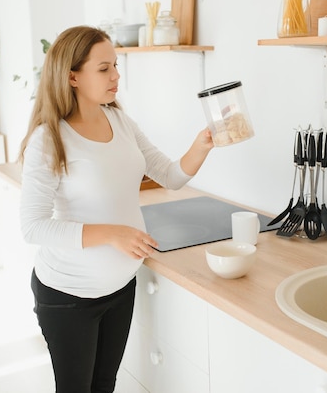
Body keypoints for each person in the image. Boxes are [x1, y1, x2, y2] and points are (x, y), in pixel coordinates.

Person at [18, 25, 214, 393]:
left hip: (120, 288)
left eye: (116, 66)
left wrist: (203, 143)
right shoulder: (49, 138)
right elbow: (34, 226)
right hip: (67, 296)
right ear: (72, 76)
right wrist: (112, 233)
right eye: (104, 68)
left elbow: (170, 175)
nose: (116, 76)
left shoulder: (121, 121)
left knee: (105, 384)